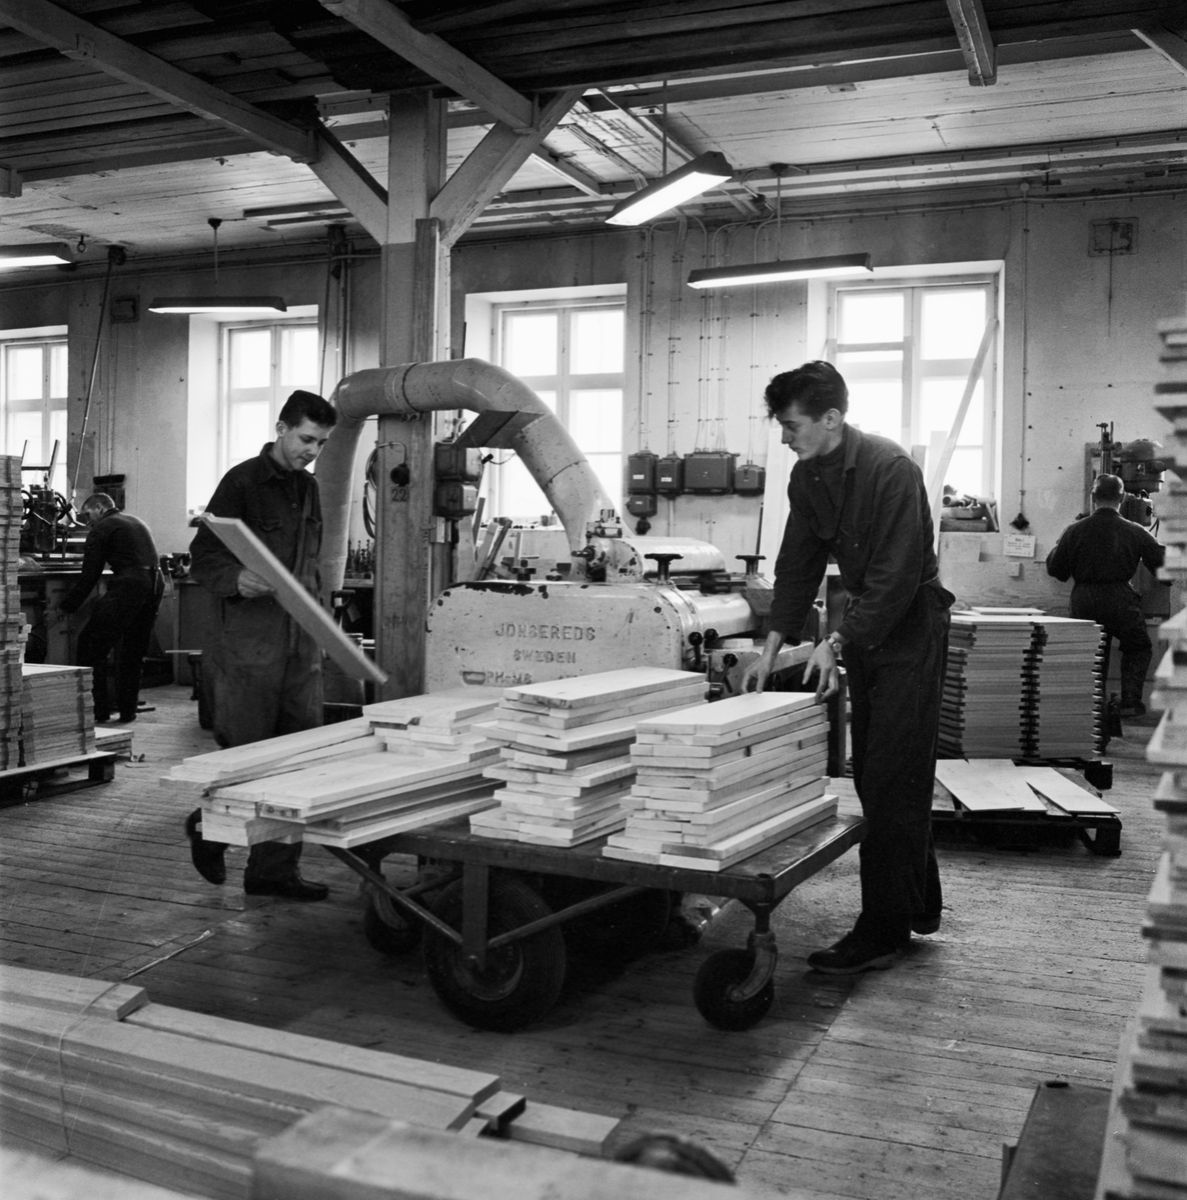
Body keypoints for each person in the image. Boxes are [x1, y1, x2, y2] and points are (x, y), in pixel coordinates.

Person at [741, 361, 953, 975]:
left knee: (891, 773)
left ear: (831, 418)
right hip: (864, 624)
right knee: (885, 775)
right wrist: (771, 647)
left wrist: (835, 640)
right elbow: (798, 563)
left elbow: (895, 577)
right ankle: (916, 906)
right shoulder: (807, 477)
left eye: (792, 426)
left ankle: (882, 930)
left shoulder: (891, 470)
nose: (786, 438)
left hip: (910, 624)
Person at [183, 389, 337, 901]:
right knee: (247, 757)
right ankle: (208, 830)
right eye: (306, 439)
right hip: (250, 648)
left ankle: (274, 871)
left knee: (298, 760)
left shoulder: (309, 489)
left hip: (300, 646)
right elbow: (204, 557)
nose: (312, 450)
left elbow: (310, 566)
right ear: (281, 428)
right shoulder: (242, 482)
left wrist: (322, 626)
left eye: (321, 443)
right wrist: (236, 578)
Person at [1046, 472, 1165, 718]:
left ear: (1093, 496)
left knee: (1091, 650)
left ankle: (1092, 707)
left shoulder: (1074, 530)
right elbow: (1163, 567)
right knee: (1138, 646)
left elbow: (1056, 570)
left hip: (1084, 598)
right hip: (1119, 597)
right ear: (1122, 498)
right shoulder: (1135, 530)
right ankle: (1130, 702)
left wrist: (1061, 542)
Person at [49, 493, 165, 724]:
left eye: (87, 515)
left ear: (100, 508)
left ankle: (98, 711)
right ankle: (127, 712)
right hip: (155, 583)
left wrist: (65, 608)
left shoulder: (103, 527)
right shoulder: (135, 521)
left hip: (130, 585)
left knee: (90, 646)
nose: (87, 522)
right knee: (133, 650)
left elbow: (90, 575)